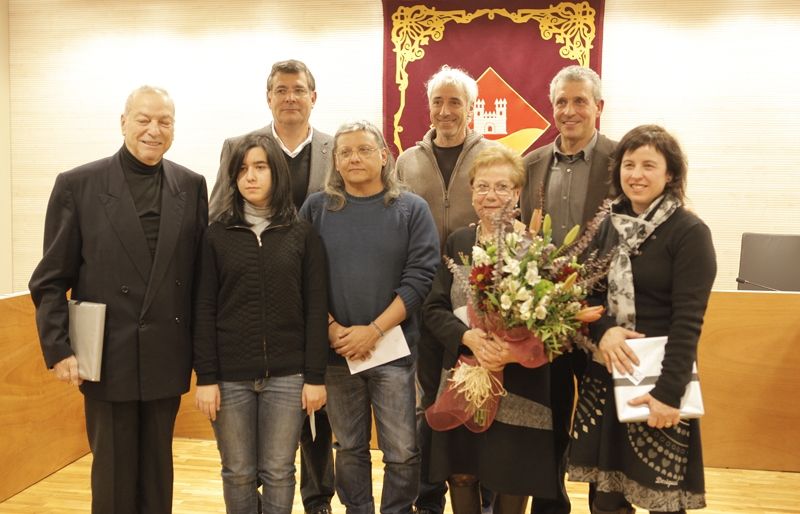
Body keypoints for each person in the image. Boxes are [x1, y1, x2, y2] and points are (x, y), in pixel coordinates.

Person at [28, 86, 208, 514]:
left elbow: (201, 279)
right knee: (111, 473)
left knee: (158, 471)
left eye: (164, 121)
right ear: (123, 122)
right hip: (107, 355)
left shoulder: (191, 184)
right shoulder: (78, 184)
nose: (153, 129)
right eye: (144, 119)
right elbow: (50, 278)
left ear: (174, 128)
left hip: (167, 352)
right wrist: (59, 349)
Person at [567, 125, 716, 514]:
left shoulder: (689, 232)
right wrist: (604, 331)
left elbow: (688, 323)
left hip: (660, 381)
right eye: (629, 164)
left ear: (670, 174)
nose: (636, 174)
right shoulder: (606, 224)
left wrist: (669, 394)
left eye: (649, 165)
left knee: (662, 499)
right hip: (607, 373)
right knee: (606, 499)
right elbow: (585, 293)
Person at [208, 59, 335, 514]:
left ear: (312, 96)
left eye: (298, 89)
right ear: (269, 97)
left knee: (315, 431)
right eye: (280, 90)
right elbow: (219, 217)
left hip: (316, 301)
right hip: (248, 313)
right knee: (245, 465)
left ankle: (317, 502)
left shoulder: (336, 148)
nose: (289, 97)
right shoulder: (242, 147)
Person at [299, 120, 440, 514]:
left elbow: (420, 278)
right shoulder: (316, 208)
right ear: (336, 162)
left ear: (383, 155)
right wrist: (332, 329)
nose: (354, 158)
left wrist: (375, 330)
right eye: (345, 152)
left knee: (402, 450)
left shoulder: (411, 209)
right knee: (349, 447)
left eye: (364, 149)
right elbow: (304, 277)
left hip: (393, 350)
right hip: (337, 351)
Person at [424, 145, 561, 514]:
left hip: (519, 383)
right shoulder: (458, 244)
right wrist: (467, 336)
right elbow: (433, 308)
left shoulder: (538, 250)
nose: (491, 196)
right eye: (482, 187)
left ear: (517, 193)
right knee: (462, 475)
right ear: (471, 193)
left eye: (502, 187)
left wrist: (513, 350)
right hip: (464, 378)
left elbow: (556, 324)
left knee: (513, 479)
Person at [395, 64, 497, 514]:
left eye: (455, 101)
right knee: (428, 402)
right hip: (423, 302)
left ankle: (486, 493)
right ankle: (429, 496)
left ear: (471, 107)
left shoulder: (490, 155)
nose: (445, 110)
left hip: (483, 306)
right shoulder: (407, 161)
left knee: (481, 400)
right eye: (438, 101)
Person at [519, 65, 618, 514]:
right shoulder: (531, 164)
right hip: (545, 319)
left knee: (600, 420)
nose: (570, 110)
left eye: (580, 101)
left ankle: (607, 504)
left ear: (598, 107)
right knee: (550, 418)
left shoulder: (621, 162)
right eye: (561, 102)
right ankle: (550, 505)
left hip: (605, 316)